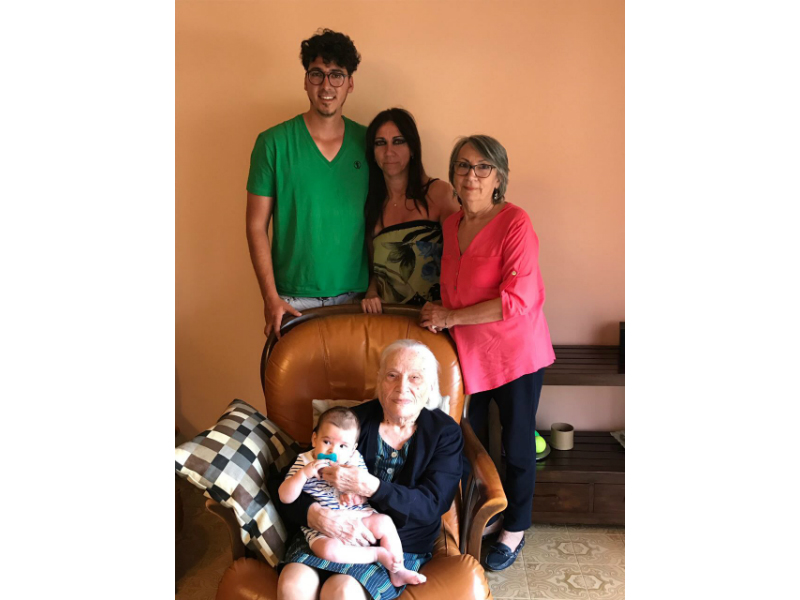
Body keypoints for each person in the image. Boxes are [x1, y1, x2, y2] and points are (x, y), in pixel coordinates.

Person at [419, 135, 556, 571]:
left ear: (499, 177)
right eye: (462, 166)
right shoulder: (451, 225)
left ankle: (515, 528)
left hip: (516, 354)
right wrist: (439, 317)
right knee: (466, 443)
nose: (471, 175)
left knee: (517, 444)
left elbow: (517, 299)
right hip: (469, 357)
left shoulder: (515, 222)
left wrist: (449, 317)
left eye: (483, 167)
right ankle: (485, 517)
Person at [270, 340, 463, 600]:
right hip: (327, 532)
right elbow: (287, 479)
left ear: (430, 386)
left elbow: (433, 504)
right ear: (379, 380)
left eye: (415, 378)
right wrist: (314, 514)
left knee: (342, 591)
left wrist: (372, 487)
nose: (402, 387)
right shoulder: (350, 422)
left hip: (396, 545)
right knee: (293, 585)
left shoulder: (445, 433)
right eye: (392, 375)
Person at [246, 29, 369, 339]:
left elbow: (385, 215)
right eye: (317, 74)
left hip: (357, 298)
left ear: (350, 83)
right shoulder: (273, 143)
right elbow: (256, 226)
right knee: (289, 374)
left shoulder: (369, 143)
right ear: (305, 80)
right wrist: (270, 297)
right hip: (292, 300)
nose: (326, 85)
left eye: (337, 75)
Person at [279, 407, 426, 587]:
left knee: (385, 522)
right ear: (314, 439)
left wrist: (357, 497)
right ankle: (376, 554)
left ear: (352, 449)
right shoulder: (303, 462)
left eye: (342, 446)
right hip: (322, 529)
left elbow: (365, 492)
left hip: (358, 516)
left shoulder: (353, 459)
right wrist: (303, 475)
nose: (333, 450)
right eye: (327, 441)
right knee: (327, 550)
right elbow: (285, 497)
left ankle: (398, 571)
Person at [361, 108, 459, 314]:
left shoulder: (439, 193)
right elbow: (375, 271)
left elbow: (462, 259)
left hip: (433, 321)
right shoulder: (371, 205)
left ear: (413, 148)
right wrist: (371, 292)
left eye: (398, 141)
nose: (389, 151)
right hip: (389, 320)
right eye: (380, 143)